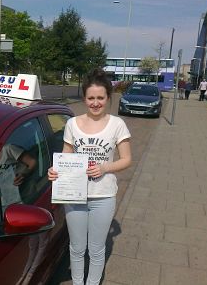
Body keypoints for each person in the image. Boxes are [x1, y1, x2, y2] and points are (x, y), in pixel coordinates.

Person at [48, 68, 132, 285]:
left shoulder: (117, 125)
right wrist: (55, 171)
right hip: (75, 196)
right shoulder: (72, 124)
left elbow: (126, 159)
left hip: (103, 196)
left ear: (107, 98)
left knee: (96, 249)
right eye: (91, 98)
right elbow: (65, 158)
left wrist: (105, 168)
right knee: (76, 248)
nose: (96, 103)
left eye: (100, 98)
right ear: (84, 98)